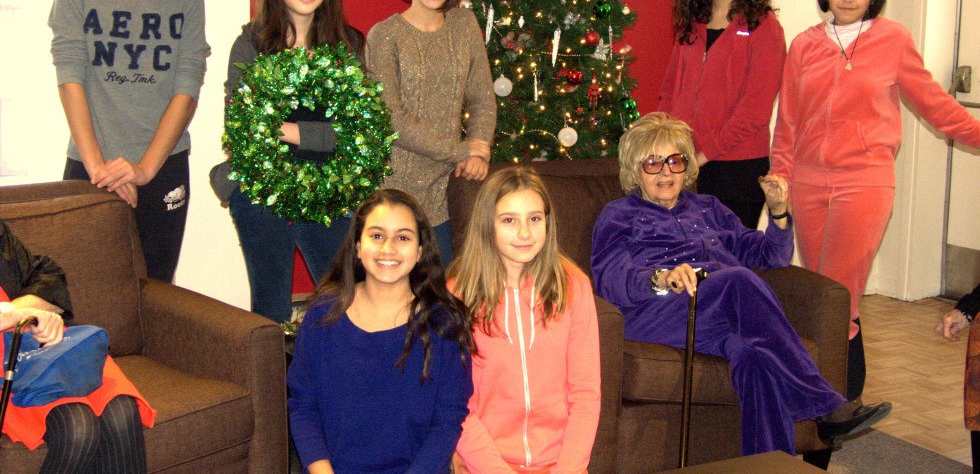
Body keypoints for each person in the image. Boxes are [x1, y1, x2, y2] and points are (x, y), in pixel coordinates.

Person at [590, 113, 891, 457]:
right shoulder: (618, 214)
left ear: (686, 167)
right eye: (652, 163)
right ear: (635, 170)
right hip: (657, 311)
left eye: (675, 161)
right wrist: (659, 277)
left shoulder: (709, 208)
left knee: (754, 356)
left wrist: (778, 213)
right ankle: (825, 404)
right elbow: (609, 276)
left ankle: (770, 464)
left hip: (717, 314)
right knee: (737, 279)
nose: (665, 172)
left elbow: (769, 255)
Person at [770, 0, 980, 403]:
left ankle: (836, 404)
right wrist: (780, 175)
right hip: (807, 182)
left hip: (864, 182)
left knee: (839, 295)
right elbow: (788, 120)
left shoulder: (893, 40)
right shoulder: (804, 44)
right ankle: (826, 405)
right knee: (821, 291)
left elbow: (936, 106)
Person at [49, 0, 209, 283]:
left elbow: (187, 88)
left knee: (154, 292)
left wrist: (144, 170)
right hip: (90, 165)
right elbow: (69, 75)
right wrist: (99, 170)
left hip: (162, 167)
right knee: (83, 290)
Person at [224, 0, 365, 323]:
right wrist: (319, 134)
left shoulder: (348, 45)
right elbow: (242, 128)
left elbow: (356, 134)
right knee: (270, 309)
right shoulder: (251, 45)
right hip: (262, 190)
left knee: (344, 303)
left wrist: (287, 130)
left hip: (331, 189)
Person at [287, 189, 474, 474]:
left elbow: (447, 421)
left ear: (420, 251)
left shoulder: (444, 324)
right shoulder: (322, 316)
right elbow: (303, 406)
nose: (388, 248)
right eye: (376, 235)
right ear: (357, 246)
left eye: (403, 238)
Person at [449, 167, 601, 473]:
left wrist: (568, 470)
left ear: (547, 222)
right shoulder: (457, 295)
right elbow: (456, 405)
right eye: (509, 220)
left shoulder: (574, 286)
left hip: (562, 465)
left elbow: (585, 393)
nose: (524, 233)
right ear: (487, 225)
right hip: (484, 465)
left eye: (534, 218)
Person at [366, 0, 497, 265]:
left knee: (444, 286)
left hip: (450, 188)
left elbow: (482, 97)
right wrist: (462, 150)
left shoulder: (464, 25)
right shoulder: (385, 35)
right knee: (398, 286)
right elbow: (391, 118)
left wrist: (479, 147)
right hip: (394, 189)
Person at [1, 220, 155, 474]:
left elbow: (47, 276)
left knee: (122, 412)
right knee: (79, 428)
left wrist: (26, 312)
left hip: (49, 345)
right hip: (8, 367)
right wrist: (21, 314)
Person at [656, 0, 785, 229]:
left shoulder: (764, 26)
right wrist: (668, 147)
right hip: (684, 161)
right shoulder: (692, 22)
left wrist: (702, 155)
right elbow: (669, 91)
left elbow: (755, 111)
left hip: (736, 168)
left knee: (727, 255)